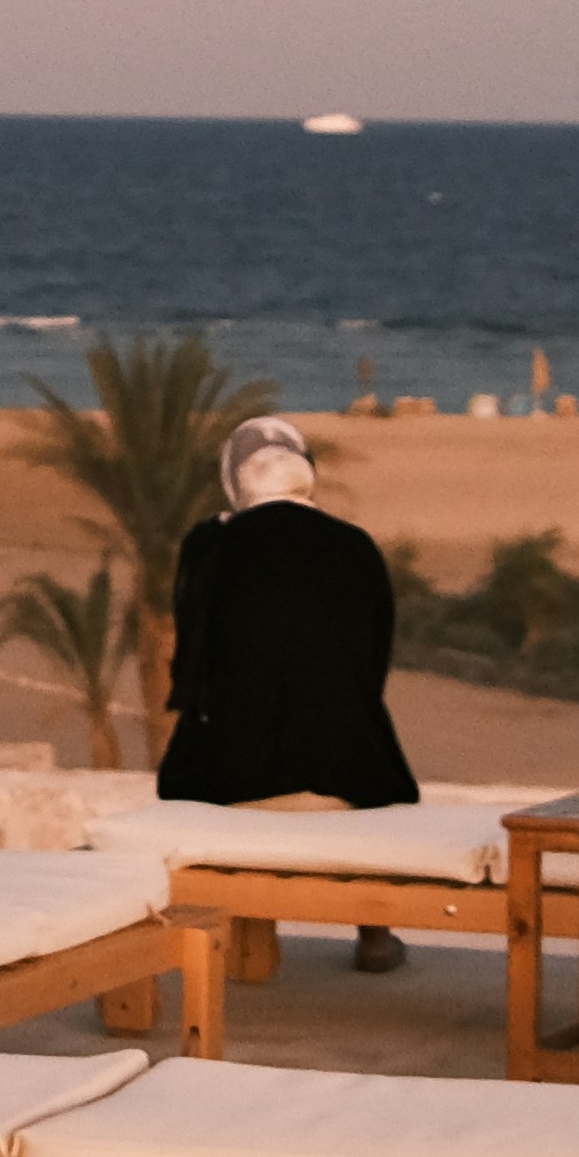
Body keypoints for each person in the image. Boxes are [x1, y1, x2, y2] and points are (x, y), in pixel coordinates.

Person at [153, 414, 423, 968]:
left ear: (234, 480)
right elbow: (373, 665)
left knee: (201, 749)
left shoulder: (211, 547)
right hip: (345, 773)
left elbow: (190, 666)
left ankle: (229, 936)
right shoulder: (356, 548)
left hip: (228, 771)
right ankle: (373, 934)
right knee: (361, 738)